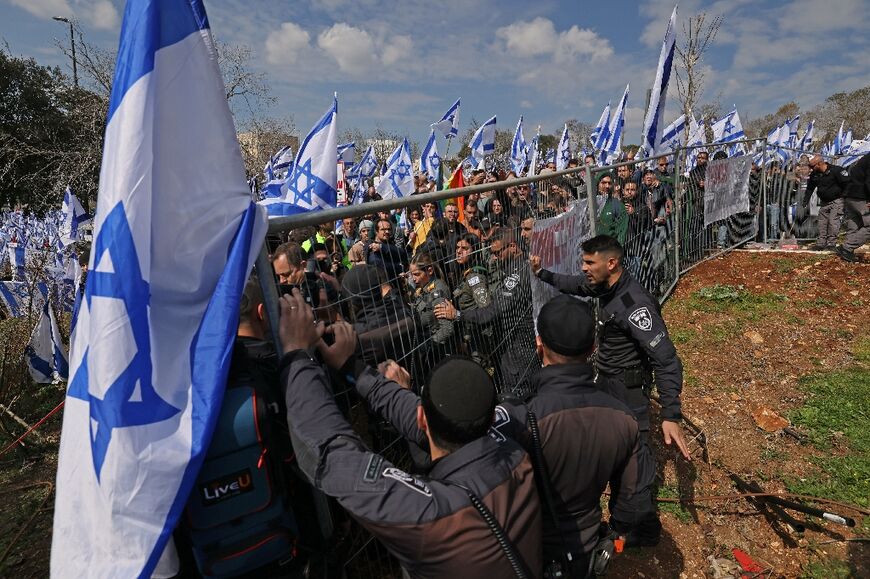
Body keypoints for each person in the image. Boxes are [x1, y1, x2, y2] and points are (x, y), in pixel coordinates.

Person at [277, 294, 543, 577]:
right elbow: (409, 411)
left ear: (421, 418)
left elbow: (331, 455)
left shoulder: (431, 515)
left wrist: (297, 355)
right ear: (492, 417)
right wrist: (350, 366)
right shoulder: (518, 450)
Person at [529, 234, 691, 547]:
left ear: (611, 263)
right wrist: (543, 274)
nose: (584, 268)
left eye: (590, 262)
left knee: (635, 464)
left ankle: (640, 529)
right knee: (612, 450)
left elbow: (667, 359)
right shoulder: (605, 285)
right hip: (607, 382)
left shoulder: (634, 304)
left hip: (628, 392)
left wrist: (671, 413)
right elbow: (576, 284)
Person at [435, 228, 538, 394]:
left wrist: (458, 315)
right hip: (509, 343)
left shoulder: (516, 274)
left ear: (512, 247)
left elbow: (490, 310)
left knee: (517, 393)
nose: (494, 258)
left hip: (516, 346)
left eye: (497, 253)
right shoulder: (514, 267)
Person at [409, 252, 456, 361]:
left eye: (417, 274)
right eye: (412, 275)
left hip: (438, 352)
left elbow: (447, 328)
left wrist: (426, 347)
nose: (414, 279)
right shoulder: (423, 288)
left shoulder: (438, 292)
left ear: (429, 271)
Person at [803, 155, 850, 251]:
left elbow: (847, 183)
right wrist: (805, 200)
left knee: (833, 222)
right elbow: (810, 188)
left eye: (813, 166)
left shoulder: (836, 170)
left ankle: (831, 244)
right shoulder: (815, 174)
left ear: (819, 164)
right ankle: (820, 243)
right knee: (822, 223)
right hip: (824, 202)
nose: (811, 169)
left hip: (837, 200)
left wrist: (844, 197)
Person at [837, 152, 870, 262]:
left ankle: (846, 253)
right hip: (861, 197)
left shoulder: (865, 159)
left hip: (850, 196)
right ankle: (847, 248)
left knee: (854, 224)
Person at [367, 219, 409, 283]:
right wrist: (399, 267)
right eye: (383, 229)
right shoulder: (372, 247)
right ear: (376, 231)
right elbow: (380, 265)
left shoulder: (389, 243)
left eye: (389, 229)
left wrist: (382, 247)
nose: (387, 231)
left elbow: (402, 253)